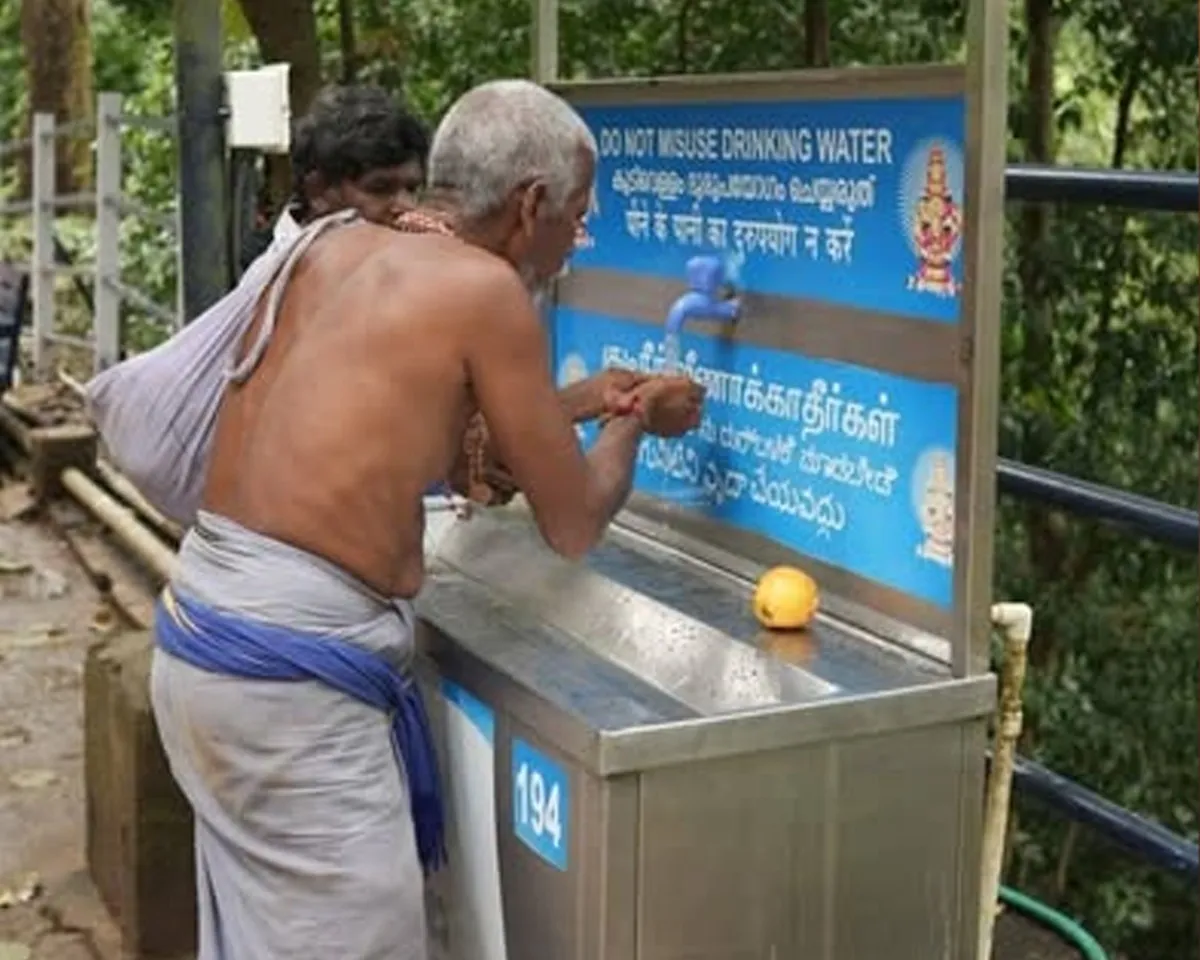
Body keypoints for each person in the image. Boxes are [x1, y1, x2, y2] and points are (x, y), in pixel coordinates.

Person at [149, 78, 705, 960]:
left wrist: (590, 400)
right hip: (287, 688)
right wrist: (635, 421)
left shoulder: (335, 248)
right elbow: (572, 521)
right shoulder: (486, 291)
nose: (576, 241)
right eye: (577, 216)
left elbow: (441, 443)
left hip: (200, 637)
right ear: (530, 206)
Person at [239, 83, 431, 271]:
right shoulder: (260, 282)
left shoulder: (416, 261)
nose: (407, 206)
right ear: (318, 191)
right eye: (380, 189)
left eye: (412, 189)